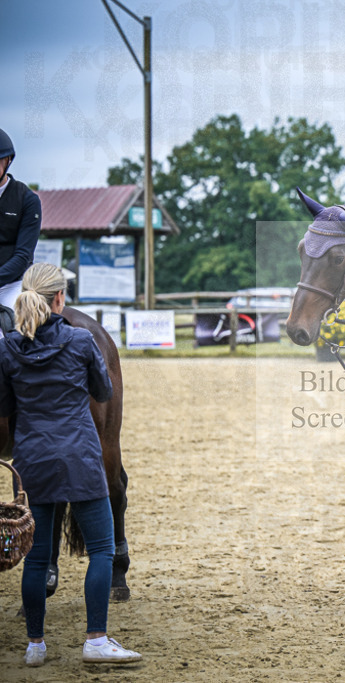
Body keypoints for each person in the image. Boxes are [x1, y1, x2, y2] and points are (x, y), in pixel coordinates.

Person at [0, 263, 141, 667]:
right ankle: (96, 639)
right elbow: (102, 389)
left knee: (37, 558)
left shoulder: (7, 348)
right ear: (60, 299)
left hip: (32, 461)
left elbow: (6, 408)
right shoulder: (81, 340)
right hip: (79, 456)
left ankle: (35, 646)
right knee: (100, 550)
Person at [0, 128, 42, 332]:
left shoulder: (27, 200)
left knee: (13, 331)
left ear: (7, 161)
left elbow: (23, 255)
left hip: (12, 284)